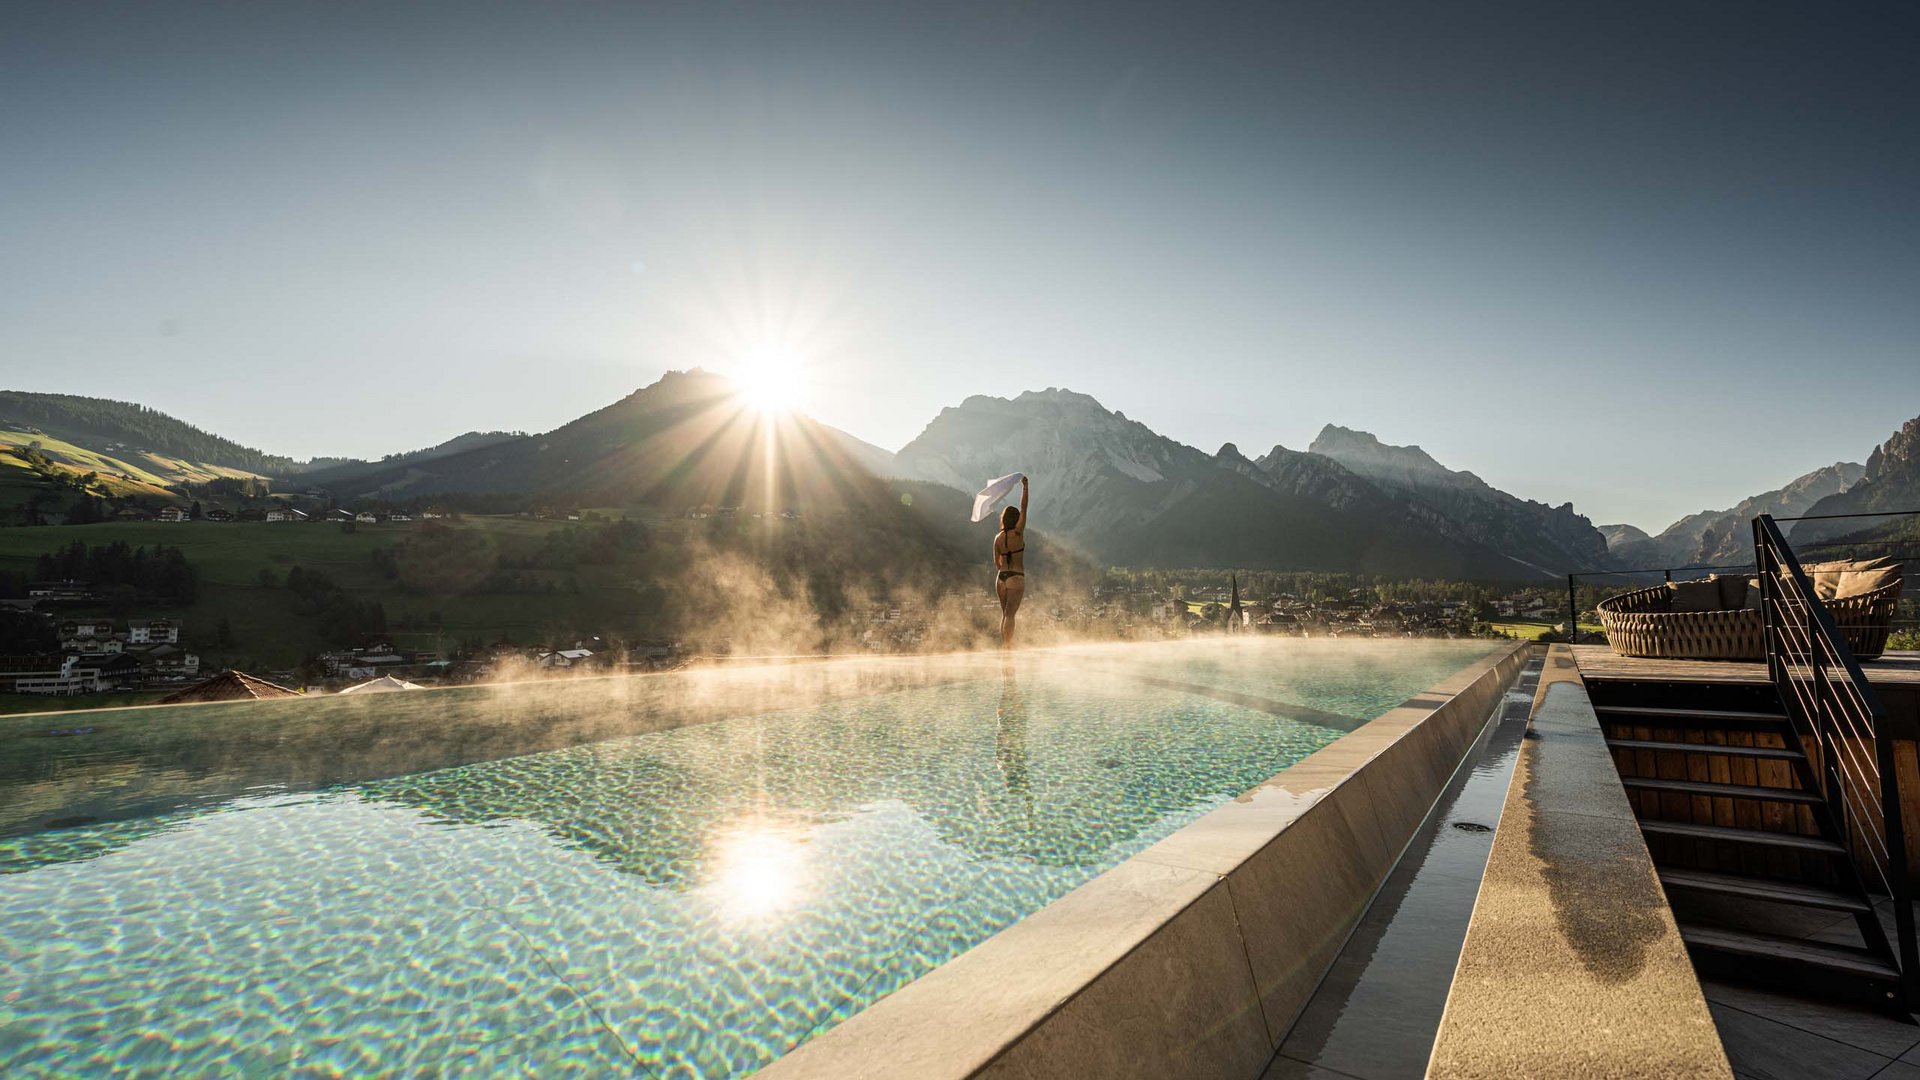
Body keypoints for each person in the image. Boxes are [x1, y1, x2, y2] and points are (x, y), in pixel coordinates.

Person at [994, 476, 1029, 649]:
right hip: (1016, 577)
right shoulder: (1018, 534)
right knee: (1010, 615)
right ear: (1015, 519)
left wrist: (1005, 571)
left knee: (1004, 615)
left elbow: (997, 562)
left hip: (1001, 578)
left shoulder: (997, 538)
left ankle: (1004, 646)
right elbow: (1024, 508)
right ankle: (1008, 648)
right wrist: (1025, 487)